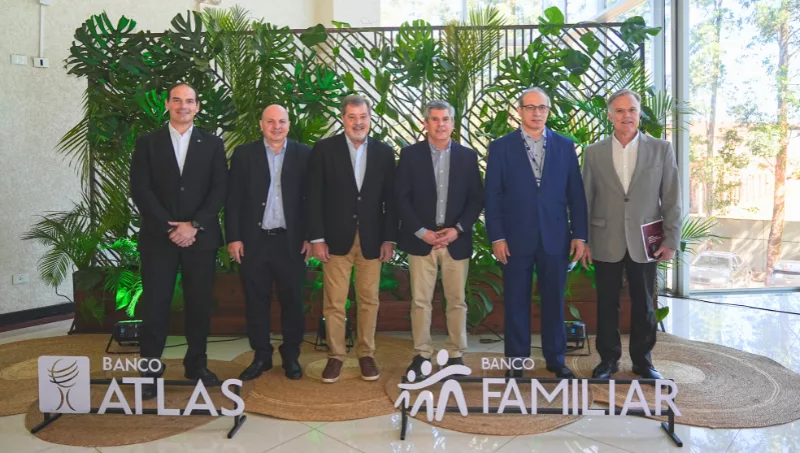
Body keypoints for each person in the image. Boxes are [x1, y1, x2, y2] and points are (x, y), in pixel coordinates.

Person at [130, 82, 228, 398]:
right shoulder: (148, 143)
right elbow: (140, 189)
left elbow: (220, 189)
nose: (183, 105)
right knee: (155, 306)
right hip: (159, 239)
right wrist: (169, 227)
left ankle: (196, 365)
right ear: (167, 104)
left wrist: (194, 225)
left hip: (201, 239)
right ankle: (150, 371)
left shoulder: (213, 144)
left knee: (199, 306)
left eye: (189, 101)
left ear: (197, 106)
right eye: (176, 100)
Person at [484, 87, 588, 379]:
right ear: (519, 111)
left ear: (548, 111)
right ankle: (517, 362)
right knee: (516, 301)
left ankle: (556, 360)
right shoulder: (501, 147)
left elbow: (576, 195)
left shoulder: (565, 146)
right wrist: (497, 237)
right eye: (530, 107)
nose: (536, 113)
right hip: (514, 239)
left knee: (554, 301)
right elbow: (492, 196)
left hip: (556, 237)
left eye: (542, 107)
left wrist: (579, 235)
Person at [581, 89, 682, 380]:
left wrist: (671, 239)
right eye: (620, 111)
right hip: (605, 238)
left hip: (646, 241)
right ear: (609, 116)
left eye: (632, 110)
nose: (627, 116)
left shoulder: (661, 149)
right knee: (606, 303)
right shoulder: (593, 152)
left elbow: (672, 197)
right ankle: (608, 360)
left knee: (645, 304)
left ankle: (643, 361)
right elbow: (585, 199)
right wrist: (584, 240)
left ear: (639, 114)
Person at [307, 95, 397, 383]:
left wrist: (389, 239)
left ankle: (366, 354)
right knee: (334, 302)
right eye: (352, 117)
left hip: (372, 240)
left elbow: (391, 201)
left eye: (363, 117)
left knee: (369, 300)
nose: (358, 122)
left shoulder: (384, 152)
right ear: (343, 118)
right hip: (335, 240)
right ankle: (335, 356)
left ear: (370, 118)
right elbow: (314, 196)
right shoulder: (324, 150)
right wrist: (317, 238)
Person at [395, 100, 484, 377]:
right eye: (434, 119)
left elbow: (476, 199)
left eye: (445, 119)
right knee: (420, 301)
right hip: (421, 240)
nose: (440, 124)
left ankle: (455, 354)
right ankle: (422, 354)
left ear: (453, 124)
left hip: (456, 240)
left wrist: (457, 229)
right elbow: (401, 198)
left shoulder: (468, 157)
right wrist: (423, 232)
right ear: (426, 123)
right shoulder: (410, 155)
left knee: (457, 300)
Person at [226, 105, 312, 381]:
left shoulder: (304, 154)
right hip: (255, 241)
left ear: (289, 124)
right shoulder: (244, 154)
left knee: (293, 302)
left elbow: (313, 199)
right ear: (261, 124)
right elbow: (233, 199)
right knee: (256, 302)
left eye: (282, 121)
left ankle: (291, 355)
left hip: (292, 242)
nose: (277, 127)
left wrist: (311, 236)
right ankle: (261, 355)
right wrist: (234, 237)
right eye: (271, 121)